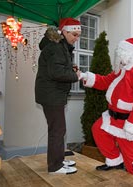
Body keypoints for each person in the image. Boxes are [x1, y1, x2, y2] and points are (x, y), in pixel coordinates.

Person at [81, 38, 133, 179]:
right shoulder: (123, 69)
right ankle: (115, 161)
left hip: (131, 122)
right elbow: (105, 81)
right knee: (98, 129)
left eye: (121, 52)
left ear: (130, 53)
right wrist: (84, 76)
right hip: (114, 119)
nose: (119, 56)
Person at [35, 18, 82, 174]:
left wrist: (70, 67)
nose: (77, 38)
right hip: (52, 94)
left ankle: (59, 160)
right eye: (74, 34)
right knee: (58, 130)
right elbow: (57, 73)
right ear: (65, 32)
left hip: (52, 93)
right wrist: (76, 75)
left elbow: (58, 67)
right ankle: (55, 166)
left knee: (57, 129)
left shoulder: (61, 47)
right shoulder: (56, 48)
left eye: (78, 35)